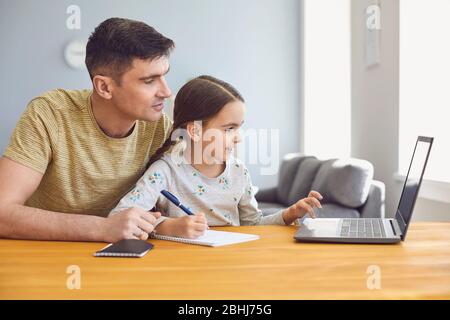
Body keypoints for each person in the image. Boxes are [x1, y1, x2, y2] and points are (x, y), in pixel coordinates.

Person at [0, 18, 174, 242]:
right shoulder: (50, 114)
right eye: (149, 81)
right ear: (104, 87)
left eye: (164, 75)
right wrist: (101, 228)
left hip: (122, 260)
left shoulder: (161, 127)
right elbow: (2, 213)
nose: (166, 91)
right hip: (45, 259)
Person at [110, 75, 322, 239]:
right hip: (181, 265)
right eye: (229, 129)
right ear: (195, 131)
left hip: (230, 263)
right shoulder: (165, 171)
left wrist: (288, 214)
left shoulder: (238, 171)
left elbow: (252, 225)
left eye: (239, 129)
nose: (238, 139)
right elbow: (119, 217)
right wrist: (166, 226)